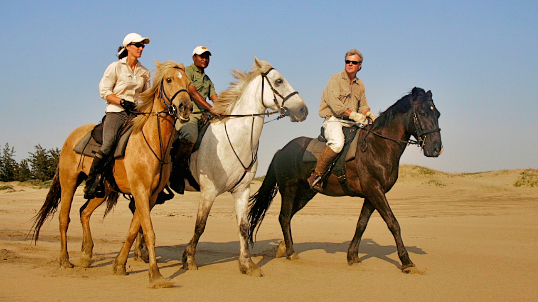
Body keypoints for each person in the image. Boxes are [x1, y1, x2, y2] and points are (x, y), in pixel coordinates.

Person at [84, 33, 151, 199]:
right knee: (108, 144)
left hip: (136, 113)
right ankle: (92, 182)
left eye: (142, 45)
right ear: (128, 47)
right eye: (137, 45)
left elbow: (147, 95)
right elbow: (104, 91)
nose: (141, 48)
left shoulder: (145, 72)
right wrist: (122, 102)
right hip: (117, 112)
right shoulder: (115, 67)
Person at [307, 48, 376, 191]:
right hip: (334, 119)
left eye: (354, 62)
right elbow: (335, 104)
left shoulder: (360, 84)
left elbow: (363, 104)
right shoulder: (335, 79)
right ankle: (316, 175)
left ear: (360, 65)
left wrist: (366, 113)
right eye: (347, 61)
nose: (350, 64)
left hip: (353, 122)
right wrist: (354, 115)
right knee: (337, 144)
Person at [170, 46, 218, 193]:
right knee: (190, 135)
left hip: (206, 116)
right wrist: (212, 108)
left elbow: (214, 97)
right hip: (190, 114)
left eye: (207, 57)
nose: (204, 59)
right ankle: (177, 172)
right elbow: (193, 93)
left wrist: (225, 108)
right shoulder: (188, 71)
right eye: (201, 56)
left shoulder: (207, 79)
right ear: (194, 58)